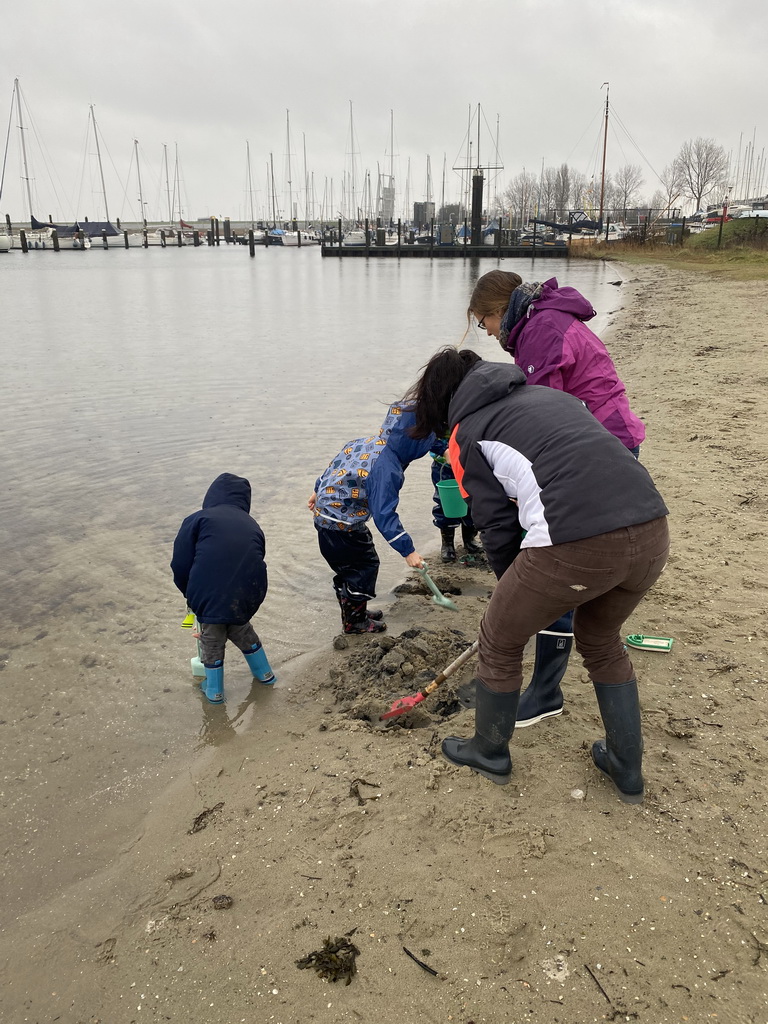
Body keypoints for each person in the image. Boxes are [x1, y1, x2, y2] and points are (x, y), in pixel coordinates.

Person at [408, 348, 669, 803]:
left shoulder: (467, 432)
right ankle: (627, 768)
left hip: (580, 538)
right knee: (602, 642)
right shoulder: (550, 397)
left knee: (499, 639)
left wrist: (516, 597)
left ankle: (489, 751)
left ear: (442, 399)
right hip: (651, 528)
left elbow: (496, 526)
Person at [467, 270, 647, 728]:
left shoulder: (540, 329)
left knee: (558, 566)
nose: (488, 334)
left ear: (497, 308)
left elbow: (541, 417)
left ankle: (545, 690)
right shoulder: (546, 317)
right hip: (611, 438)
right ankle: (551, 677)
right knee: (575, 571)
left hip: (597, 445)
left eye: (484, 322)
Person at [309, 402, 435, 634]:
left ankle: (355, 610)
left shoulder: (364, 443)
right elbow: (384, 514)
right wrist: (408, 551)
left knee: (350, 566)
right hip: (342, 525)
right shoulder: (387, 469)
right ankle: (354, 622)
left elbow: (335, 466)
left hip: (326, 517)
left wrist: (318, 491)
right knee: (364, 567)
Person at [171, 473, 274, 705]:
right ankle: (265, 675)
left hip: (208, 594)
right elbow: (256, 558)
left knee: (212, 638)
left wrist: (191, 596)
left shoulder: (197, 519)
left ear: (211, 496)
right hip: (249, 594)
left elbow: (180, 563)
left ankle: (215, 693)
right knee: (240, 629)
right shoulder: (251, 523)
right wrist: (250, 599)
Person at [429, 436, 484, 563]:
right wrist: (444, 450)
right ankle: (447, 544)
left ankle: (469, 539)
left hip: (470, 463)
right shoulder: (434, 418)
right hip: (443, 464)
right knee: (446, 504)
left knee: (472, 501)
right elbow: (426, 436)